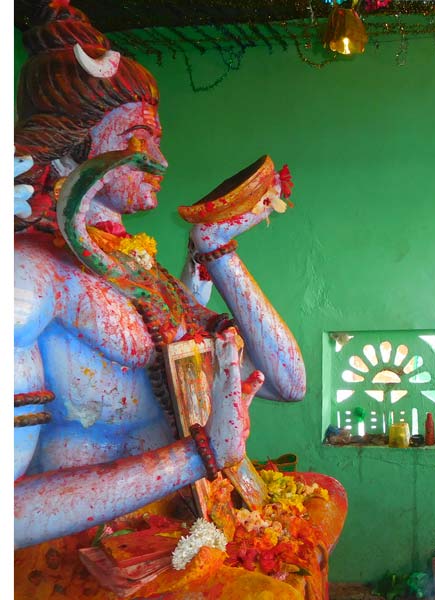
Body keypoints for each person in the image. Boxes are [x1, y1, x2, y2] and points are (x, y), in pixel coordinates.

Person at [13, 4, 343, 598]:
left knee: (326, 499)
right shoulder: (30, 278)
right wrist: (197, 456)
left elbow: (289, 382)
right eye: (140, 141)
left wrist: (216, 252)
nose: (161, 162)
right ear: (74, 147)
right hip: (82, 555)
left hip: (182, 517)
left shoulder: (143, 269)